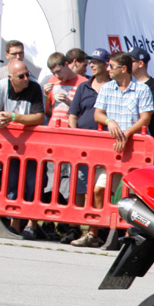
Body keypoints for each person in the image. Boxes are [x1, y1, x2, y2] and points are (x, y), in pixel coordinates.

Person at [0, 58, 48, 239]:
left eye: (27, 74)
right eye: (21, 76)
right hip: (11, 144)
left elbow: (39, 117)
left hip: (33, 143)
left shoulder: (35, 87)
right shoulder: (1, 86)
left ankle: (31, 223)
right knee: (12, 181)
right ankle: (13, 223)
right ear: (11, 77)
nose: (26, 78)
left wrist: (13, 117)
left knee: (33, 183)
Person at [67, 48, 113, 248]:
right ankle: (75, 227)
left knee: (98, 189)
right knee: (78, 186)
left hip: (104, 145)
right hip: (83, 144)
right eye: (90, 61)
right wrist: (75, 134)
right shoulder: (83, 86)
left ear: (106, 64)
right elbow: (73, 114)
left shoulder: (113, 88)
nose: (92, 65)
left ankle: (96, 229)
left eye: (96, 61)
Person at [129, 48, 154, 138]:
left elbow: (145, 114)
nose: (126, 64)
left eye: (130, 61)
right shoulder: (127, 83)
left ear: (140, 63)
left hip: (143, 138)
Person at [45, 51, 86, 127]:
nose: (57, 75)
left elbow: (86, 112)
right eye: (53, 73)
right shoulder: (52, 81)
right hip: (53, 127)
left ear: (66, 65)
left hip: (72, 128)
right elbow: (45, 110)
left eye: (58, 71)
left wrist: (69, 103)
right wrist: (45, 95)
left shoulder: (83, 82)